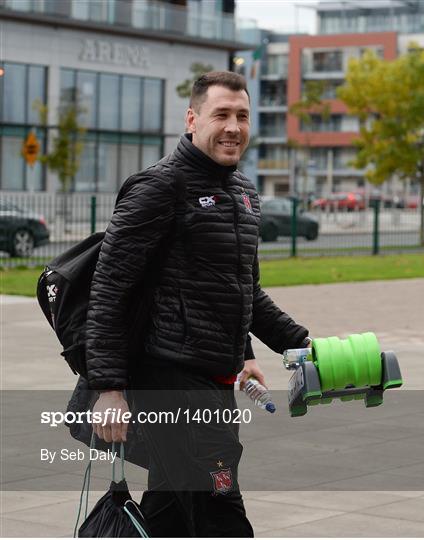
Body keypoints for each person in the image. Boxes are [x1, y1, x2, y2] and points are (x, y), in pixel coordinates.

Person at [85, 71, 310, 537]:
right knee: (221, 503)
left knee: (175, 503)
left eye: (242, 116)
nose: (233, 127)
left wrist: (293, 345)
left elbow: (243, 290)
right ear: (192, 119)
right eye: (221, 114)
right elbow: (109, 289)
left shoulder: (244, 193)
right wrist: (109, 389)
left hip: (214, 376)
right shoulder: (159, 186)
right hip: (168, 373)